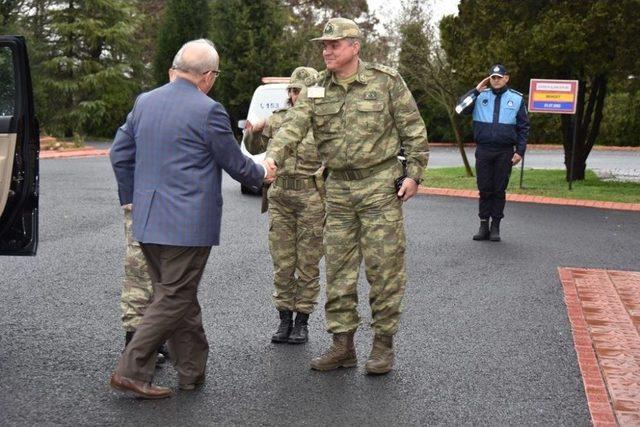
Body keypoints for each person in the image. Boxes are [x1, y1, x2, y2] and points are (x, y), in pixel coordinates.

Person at [108, 39, 276, 399]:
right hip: (187, 226)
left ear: (177, 67)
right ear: (208, 76)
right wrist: (263, 173)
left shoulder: (145, 102)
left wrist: (132, 199)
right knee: (173, 296)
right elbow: (235, 163)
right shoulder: (209, 110)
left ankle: (192, 372)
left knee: (178, 295)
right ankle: (131, 368)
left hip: (148, 221)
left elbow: (120, 154)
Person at [266, 18, 429, 375]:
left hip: (379, 187)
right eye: (323, 45)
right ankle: (342, 346)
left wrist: (414, 175)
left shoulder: (385, 82)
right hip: (336, 189)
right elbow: (292, 127)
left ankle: (383, 346)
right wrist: (272, 159)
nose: (326, 50)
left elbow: (414, 129)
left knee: (384, 269)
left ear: (355, 46)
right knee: (338, 270)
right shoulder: (316, 89)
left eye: (333, 44)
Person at [244, 67, 324, 345]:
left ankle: (302, 320)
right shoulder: (277, 121)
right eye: (291, 90)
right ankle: (284, 319)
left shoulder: (324, 123)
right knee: (282, 262)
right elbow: (253, 149)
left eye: (299, 90)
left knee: (308, 263)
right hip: (280, 198)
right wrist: (252, 131)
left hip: (312, 199)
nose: (294, 95)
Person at [456, 64, 530, 242]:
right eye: (493, 77)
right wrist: (475, 91)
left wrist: (520, 151)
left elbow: (523, 127)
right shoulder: (480, 96)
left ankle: (495, 226)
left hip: (504, 152)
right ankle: (483, 225)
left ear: (506, 78)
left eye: (499, 77)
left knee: (498, 189)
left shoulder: (517, 98)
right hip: (484, 150)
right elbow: (459, 109)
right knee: (484, 189)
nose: (495, 80)